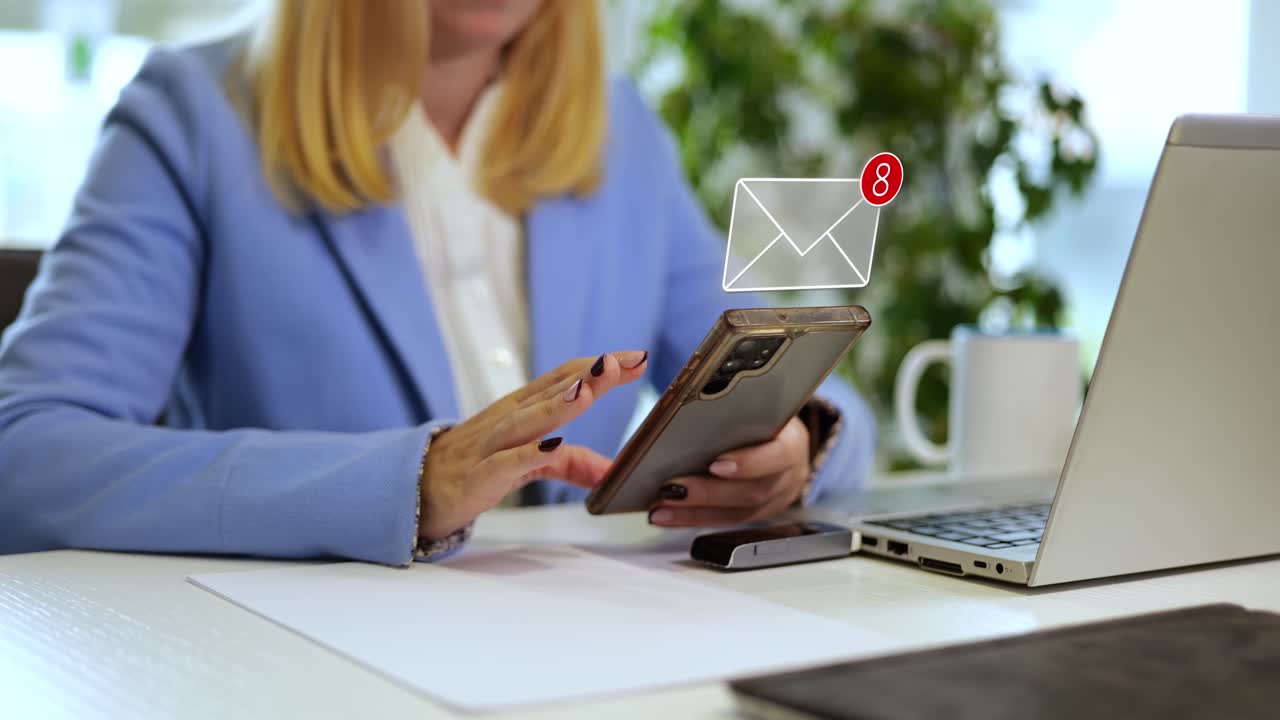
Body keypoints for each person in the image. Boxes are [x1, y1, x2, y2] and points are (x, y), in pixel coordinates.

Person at [0, 0, 874, 565]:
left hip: (599, 648)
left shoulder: (622, 131)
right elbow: (25, 456)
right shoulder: (191, 114)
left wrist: (794, 443)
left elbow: (791, 373)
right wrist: (407, 482)